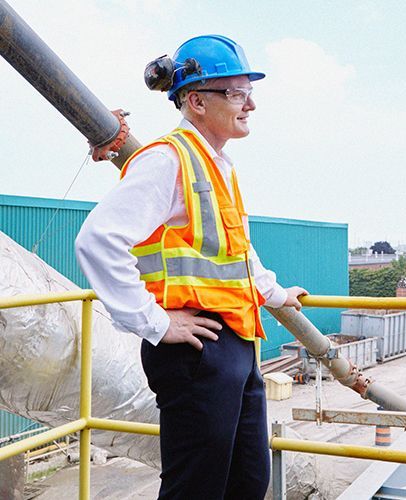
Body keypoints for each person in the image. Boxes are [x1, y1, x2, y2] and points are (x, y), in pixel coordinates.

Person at [75, 34, 308, 500]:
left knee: (247, 480)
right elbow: (97, 240)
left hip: (237, 347)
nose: (250, 105)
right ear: (197, 100)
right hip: (196, 351)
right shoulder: (167, 160)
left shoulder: (218, 165)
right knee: (197, 486)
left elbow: (238, 253)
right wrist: (155, 323)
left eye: (249, 93)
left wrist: (278, 295)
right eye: (237, 93)